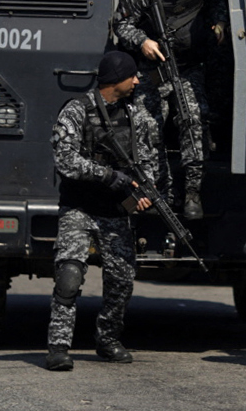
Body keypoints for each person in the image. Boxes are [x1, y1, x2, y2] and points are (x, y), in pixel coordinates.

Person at [46, 50, 161, 372]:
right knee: (69, 276)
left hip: (115, 212)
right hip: (78, 209)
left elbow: (148, 163)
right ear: (117, 79)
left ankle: (108, 340)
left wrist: (140, 196)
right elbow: (66, 161)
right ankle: (58, 347)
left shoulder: (136, 116)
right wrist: (109, 176)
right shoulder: (76, 112)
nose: (138, 81)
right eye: (133, 75)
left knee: (122, 279)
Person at [111, 0, 226, 220]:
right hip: (152, 69)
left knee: (193, 120)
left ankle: (192, 193)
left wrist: (219, 25)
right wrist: (142, 42)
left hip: (188, 68)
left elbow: (220, 7)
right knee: (148, 126)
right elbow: (120, 23)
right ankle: (153, 190)